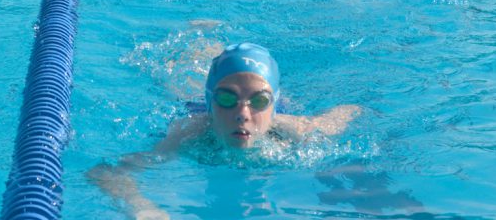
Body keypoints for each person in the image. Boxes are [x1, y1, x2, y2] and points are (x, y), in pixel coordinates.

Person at [87, 43, 361, 219]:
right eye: (227, 99)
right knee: (181, 81)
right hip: (201, 109)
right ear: (211, 102)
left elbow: (354, 109)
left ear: (273, 105)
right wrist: (141, 206)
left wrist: (284, 120)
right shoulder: (189, 131)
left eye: (259, 101)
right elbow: (107, 173)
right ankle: (201, 43)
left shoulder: (298, 130)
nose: (242, 114)